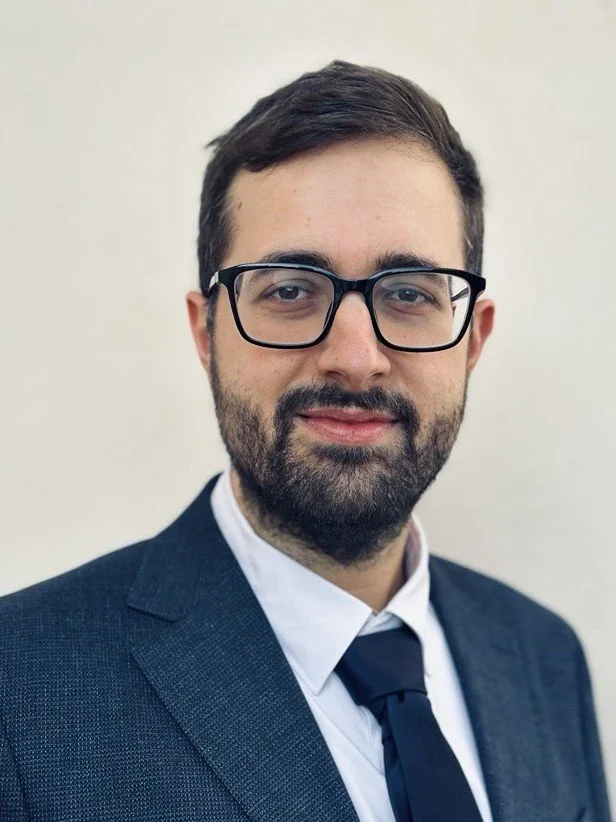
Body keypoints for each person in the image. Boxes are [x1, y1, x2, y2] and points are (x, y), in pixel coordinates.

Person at [0, 60, 610, 822]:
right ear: (207, 332)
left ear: (472, 341)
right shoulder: (20, 690)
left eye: (409, 293)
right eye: (290, 290)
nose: (356, 357)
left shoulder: (544, 659)